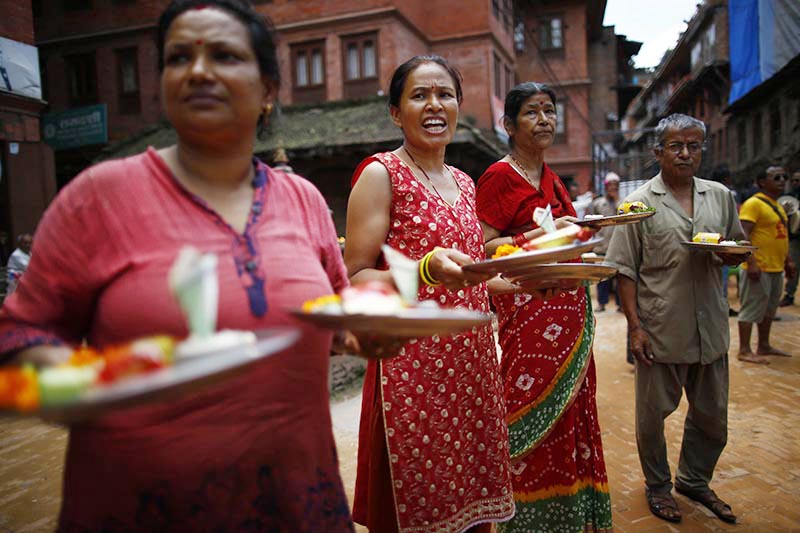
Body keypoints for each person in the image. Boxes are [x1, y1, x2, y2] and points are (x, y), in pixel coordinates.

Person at [0, 1, 356, 530]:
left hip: (298, 502)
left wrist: (369, 332)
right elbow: (15, 342)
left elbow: (336, 320)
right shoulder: (100, 196)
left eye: (225, 55)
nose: (198, 71)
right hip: (141, 507)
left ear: (267, 90)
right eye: (178, 57)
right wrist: (87, 383)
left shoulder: (302, 199)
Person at [345, 55, 515, 533]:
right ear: (397, 112)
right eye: (419, 95)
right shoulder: (382, 175)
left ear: (459, 105)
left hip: (471, 372)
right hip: (411, 375)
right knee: (416, 505)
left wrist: (525, 280)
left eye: (445, 94)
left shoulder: (464, 182)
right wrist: (423, 271)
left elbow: (471, 277)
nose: (434, 105)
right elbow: (354, 276)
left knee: (468, 499)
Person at [475, 82, 612, 533]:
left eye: (550, 111)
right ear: (510, 125)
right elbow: (484, 247)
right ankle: (526, 518)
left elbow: (567, 238)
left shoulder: (552, 178)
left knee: (573, 409)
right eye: (532, 113)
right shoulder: (499, 177)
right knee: (524, 403)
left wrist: (578, 236)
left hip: (571, 312)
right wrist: (534, 240)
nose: (545, 120)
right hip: (526, 311)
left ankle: (571, 515)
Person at [606, 113, 745, 525]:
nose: (685, 154)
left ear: (702, 150)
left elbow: (732, 247)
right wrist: (635, 326)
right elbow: (624, 269)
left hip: (711, 327)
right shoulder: (638, 205)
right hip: (660, 327)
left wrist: (729, 255)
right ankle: (658, 486)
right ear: (658, 152)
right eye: (676, 146)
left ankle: (694, 479)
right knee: (652, 418)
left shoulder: (720, 196)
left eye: (694, 146)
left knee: (712, 417)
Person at [737, 165, 796, 363]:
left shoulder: (778, 205)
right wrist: (751, 262)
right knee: (751, 308)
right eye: (776, 177)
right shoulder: (754, 204)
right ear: (762, 182)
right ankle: (744, 350)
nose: (781, 180)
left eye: (784, 177)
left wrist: (788, 261)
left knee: (769, 310)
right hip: (758, 267)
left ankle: (763, 345)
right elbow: (743, 233)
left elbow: (781, 235)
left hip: (776, 266)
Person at [589, 172, 621, 312]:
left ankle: (621, 304)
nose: (612, 188)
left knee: (620, 277)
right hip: (602, 246)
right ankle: (602, 303)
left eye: (615, 185)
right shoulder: (598, 203)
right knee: (602, 278)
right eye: (610, 185)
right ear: (606, 187)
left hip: (619, 246)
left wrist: (617, 201)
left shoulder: (624, 203)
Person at [780, 170, 800, 306]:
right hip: (794, 238)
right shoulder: (788, 198)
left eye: (798, 180)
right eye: (793, 180)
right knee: (794, 267)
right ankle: (789, 294)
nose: (795, 183)